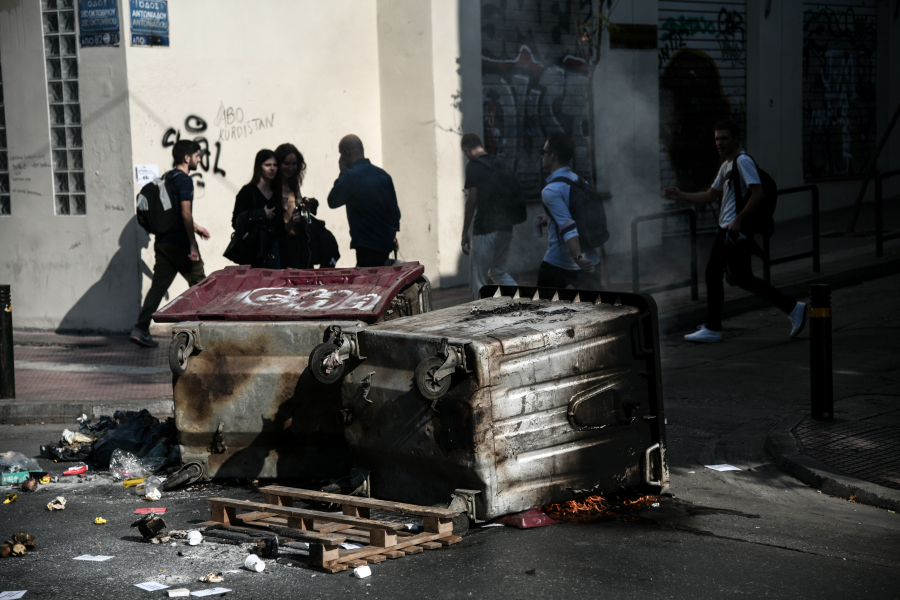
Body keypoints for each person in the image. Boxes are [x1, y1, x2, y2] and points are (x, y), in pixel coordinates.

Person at [664, 119, 807, 343]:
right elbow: (710, 196)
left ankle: (713, 327)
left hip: (732, 231)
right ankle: (793, 308)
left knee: (714, 273)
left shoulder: (742, 161)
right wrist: (681, 195)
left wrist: (739, 220)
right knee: (742, 278)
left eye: (724, 138)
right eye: (716, 139)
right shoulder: (726, 166)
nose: (719, 143)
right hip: (728, 230)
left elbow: (758, 193)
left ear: (735, 139)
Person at [130, 140, 209, 348]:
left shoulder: (167, 178)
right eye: (197, 155)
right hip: (180, 244)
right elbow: (184, 212)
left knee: (157, 288)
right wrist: (192, 244)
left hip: (163, 242)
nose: (200, 159)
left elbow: (174, 213)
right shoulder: (184, 181)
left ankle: (140, 329)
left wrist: (197, 227)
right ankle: (208, 330)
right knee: (201, 285)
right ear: (187, 158)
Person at [534, 132, 601, 289]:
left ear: (553, 156)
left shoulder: (551, 190)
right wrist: (550, 218)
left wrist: (577, 257)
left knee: (542, 310)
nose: (541, 156)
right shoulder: (580, 181)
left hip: (560, 262)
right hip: (591, 260)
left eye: (543, 152)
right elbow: (576, 213)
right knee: (595, 310)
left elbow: (567, 225)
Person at [327, 134, 400, 267]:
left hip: (365, 247)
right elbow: (395, 215)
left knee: (368, 283)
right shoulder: (384, 175)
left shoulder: (349, 177)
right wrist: (392, 236)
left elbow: (332, 201)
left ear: (345, 153)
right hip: (385, 246)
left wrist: (342, 173)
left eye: (340, 154)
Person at [460, 133, 518, 300]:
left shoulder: (473, 166)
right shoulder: (500, 164)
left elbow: (471, 200)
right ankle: (522, 301)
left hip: (485, 229)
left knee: (478, 280)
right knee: (499, 273)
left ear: (466, 151)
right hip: (506, 227)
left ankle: (480, 317)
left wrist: (464, 232)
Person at [232, 149, 282, 268]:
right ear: (259, 167)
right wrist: (261, 214)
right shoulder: (248, 192)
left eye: (275, 165)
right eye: (268, 165)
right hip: (252, 252)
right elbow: (236, 221)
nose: (272, 168)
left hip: (272, 254)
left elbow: (279, 228)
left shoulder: (276, 193)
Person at [275, 143, 320, 269]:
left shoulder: (293, 184)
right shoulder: (273, 187)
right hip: (282, 244)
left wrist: (304, 206)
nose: (290, 168)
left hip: (299, 243)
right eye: (286, 164)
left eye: (294, 164)